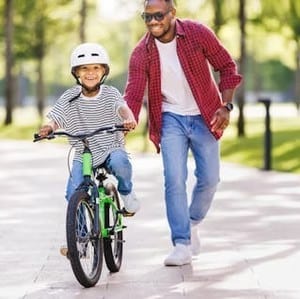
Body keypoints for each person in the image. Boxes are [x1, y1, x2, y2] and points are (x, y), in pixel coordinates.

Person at [124, 0, 242, 266]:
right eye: (147, 16)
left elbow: (227, 67)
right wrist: (125, 124)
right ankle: (181, 243)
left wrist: (226, 106)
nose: (153, 22)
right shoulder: (141, 52)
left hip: (205, 115)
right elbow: (132, 93)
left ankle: (192, 222)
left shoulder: (197, 34)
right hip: (170, 118)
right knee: (174, 179)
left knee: (210, 179)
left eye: (158, 15)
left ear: (172, 13)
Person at [38, 42, 140, 217]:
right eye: (84, 68)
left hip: (110, 147)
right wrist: (49, 127)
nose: (90, 73)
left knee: (120, 163)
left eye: (96, 68)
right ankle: (80, 236)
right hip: (83, 153)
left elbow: (121, 107)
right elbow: (57, 117)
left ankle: (126, 193)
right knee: (72, 194)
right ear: (76, 73)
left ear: (104, 71)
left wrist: (128, 118)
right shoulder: (70, 96)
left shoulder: (110, 93)